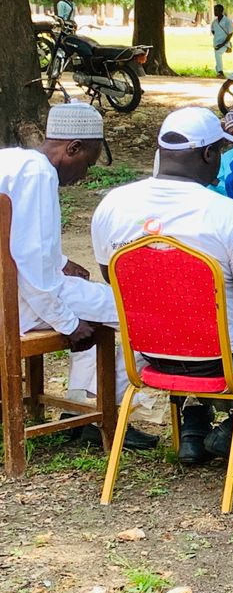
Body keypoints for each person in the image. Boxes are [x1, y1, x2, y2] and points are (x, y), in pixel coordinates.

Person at [91, 107, 233, 469]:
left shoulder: (112, 204)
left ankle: (194, 432)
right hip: (224, 357)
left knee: (186, 320)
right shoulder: (226, 214)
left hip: (152, 350)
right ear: (208, 154)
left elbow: (114, 279)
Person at [0, 103, 157, 451]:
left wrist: (62, 260)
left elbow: (14, 240)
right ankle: (100, 405)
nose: (84, 175)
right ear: (72, 148)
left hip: (7, 291)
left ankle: (80, 409)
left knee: (91, 301)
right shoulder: (39, 174)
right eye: (86, 162)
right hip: (17, 305)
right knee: (148, 314)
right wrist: (68, 323)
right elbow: (32, 269)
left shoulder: (10, 161)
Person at [211, 3, 233, 78]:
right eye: (214, 10)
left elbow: (230, 33)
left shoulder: (227, 21)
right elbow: (213, 31)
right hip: (216, 44)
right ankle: (218, 71)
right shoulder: (214, 22)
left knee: (218, 54)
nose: (214, 11)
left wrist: (222, 44)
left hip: (225, 43)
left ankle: (220, 72)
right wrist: (217, 41)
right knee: (217, 55)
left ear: (221, 11)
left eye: (216, 10)